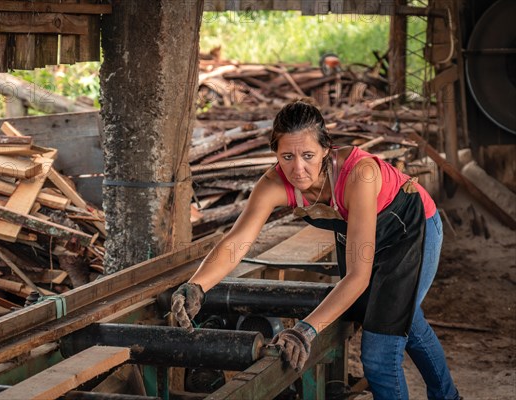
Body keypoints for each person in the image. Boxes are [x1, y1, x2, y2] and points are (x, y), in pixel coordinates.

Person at [171, 98, 460, 400]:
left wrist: (305, 330)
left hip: (410, 229)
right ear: (276, 154)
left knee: (379, 358)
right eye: (287, 156)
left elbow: (358, 278)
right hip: (362, 236)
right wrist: (197, 286)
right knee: (404, 317)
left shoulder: (359, 175)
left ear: (326, 149)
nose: (298, 168)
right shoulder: (272, 184)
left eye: (308, 155)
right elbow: (236, 242)